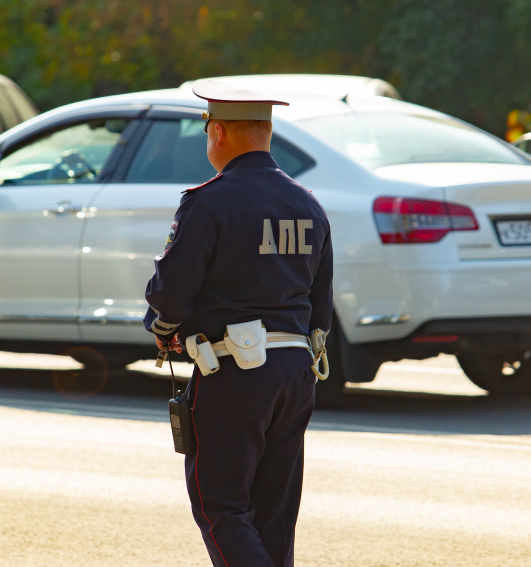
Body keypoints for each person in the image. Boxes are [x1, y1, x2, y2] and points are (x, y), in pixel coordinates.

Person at [144, 79, 333, 567]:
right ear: (267, 133)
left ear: (219, 133)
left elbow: (170, 293)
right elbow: (321, 301)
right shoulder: (308, 204)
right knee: (273, 516)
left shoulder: (208, 202)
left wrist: (164, 331)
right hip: (296, 374)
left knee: (221, 508)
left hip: (235, 373)